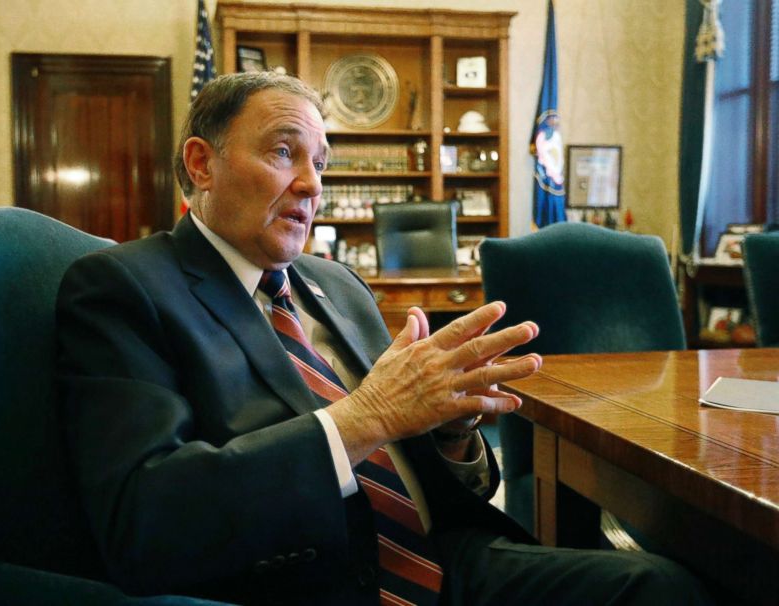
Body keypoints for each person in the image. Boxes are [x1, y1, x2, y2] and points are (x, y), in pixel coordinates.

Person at [56, 72, 712, 606]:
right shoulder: (125, 288)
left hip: (443, 554)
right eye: (284, 153)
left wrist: (452, 433)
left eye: (320, 162)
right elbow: (143, 524)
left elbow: (448, 478)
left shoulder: (337, 285)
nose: (312, 185)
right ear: (202, 163)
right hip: (310, 578)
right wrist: (365, 417)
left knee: (661, 587)